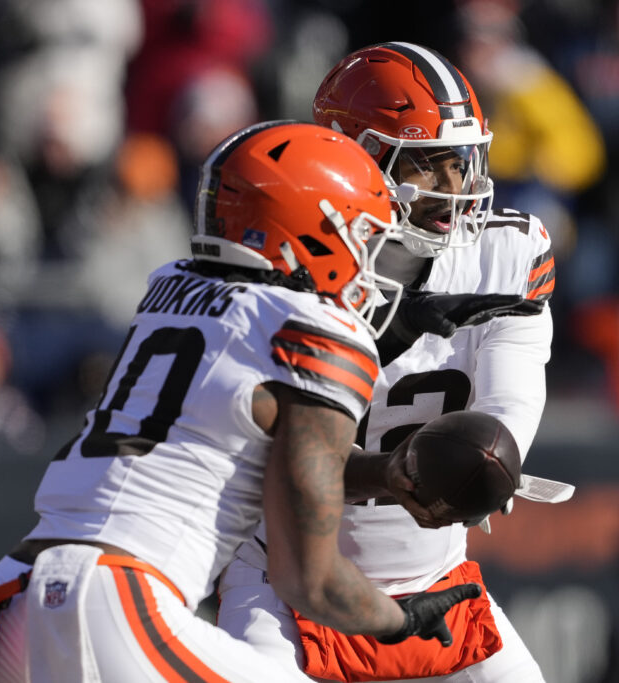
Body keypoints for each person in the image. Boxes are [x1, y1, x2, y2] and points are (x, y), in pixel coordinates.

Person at [0, 121, 488, 683]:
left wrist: (385, 474)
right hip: (117, 597)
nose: (370, 256)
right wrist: (396, 619)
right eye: (364, 234)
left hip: (12, 596)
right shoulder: (321, 333)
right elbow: (308, 580)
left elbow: (250, 446)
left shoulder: (171, 286)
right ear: (316, 231)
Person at [218, 42, 559, 682]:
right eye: (428, 166)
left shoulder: (505, 252)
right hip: (285, 579)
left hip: (437, 576)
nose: (454, 189)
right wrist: (398, 473)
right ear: (355, 157)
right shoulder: (287, 264)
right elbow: (277, 461)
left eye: (462, 162)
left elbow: (510, 398)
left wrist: (489, 459)